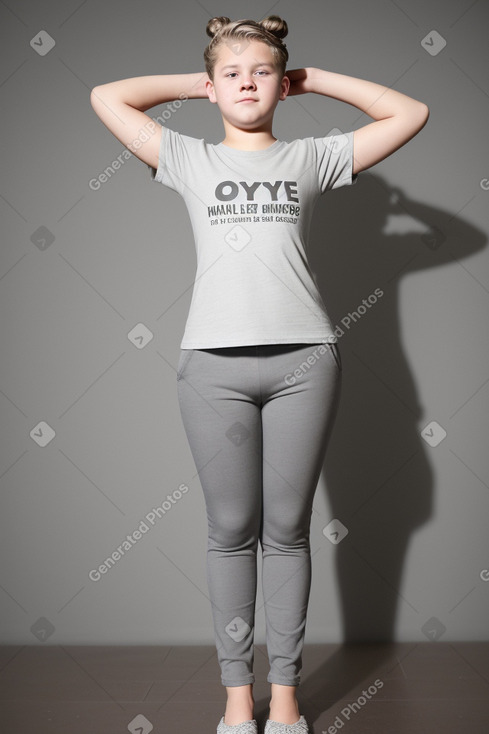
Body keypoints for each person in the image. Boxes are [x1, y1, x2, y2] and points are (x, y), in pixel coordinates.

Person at [90, 15, 429, 734]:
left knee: (287, 530)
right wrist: (200, 80)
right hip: (211, 365)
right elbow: (106, 96)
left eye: (264, 72)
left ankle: (284, 699)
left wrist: (313, 79)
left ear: (284, 83)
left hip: (303, 361)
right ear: (212, 88)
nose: (248, 82)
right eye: (232, 73)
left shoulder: (310, 158)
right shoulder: (185, 157)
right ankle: (235, 699)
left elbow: (410, 112)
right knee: (229, 531)